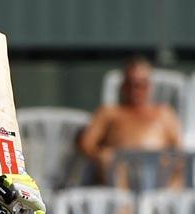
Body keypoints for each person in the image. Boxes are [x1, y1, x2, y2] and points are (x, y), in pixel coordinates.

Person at [77, 57, 182, 186]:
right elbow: (86, 143)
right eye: (131, 84)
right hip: (117, 174)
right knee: (112, 167)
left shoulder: (164, 114)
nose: (136, 89)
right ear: (123, 86)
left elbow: (179, 151)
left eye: (141, 84)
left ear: (149, 86)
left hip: (157, 176)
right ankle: (125, 205)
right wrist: (101, 155)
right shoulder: (109, 113)